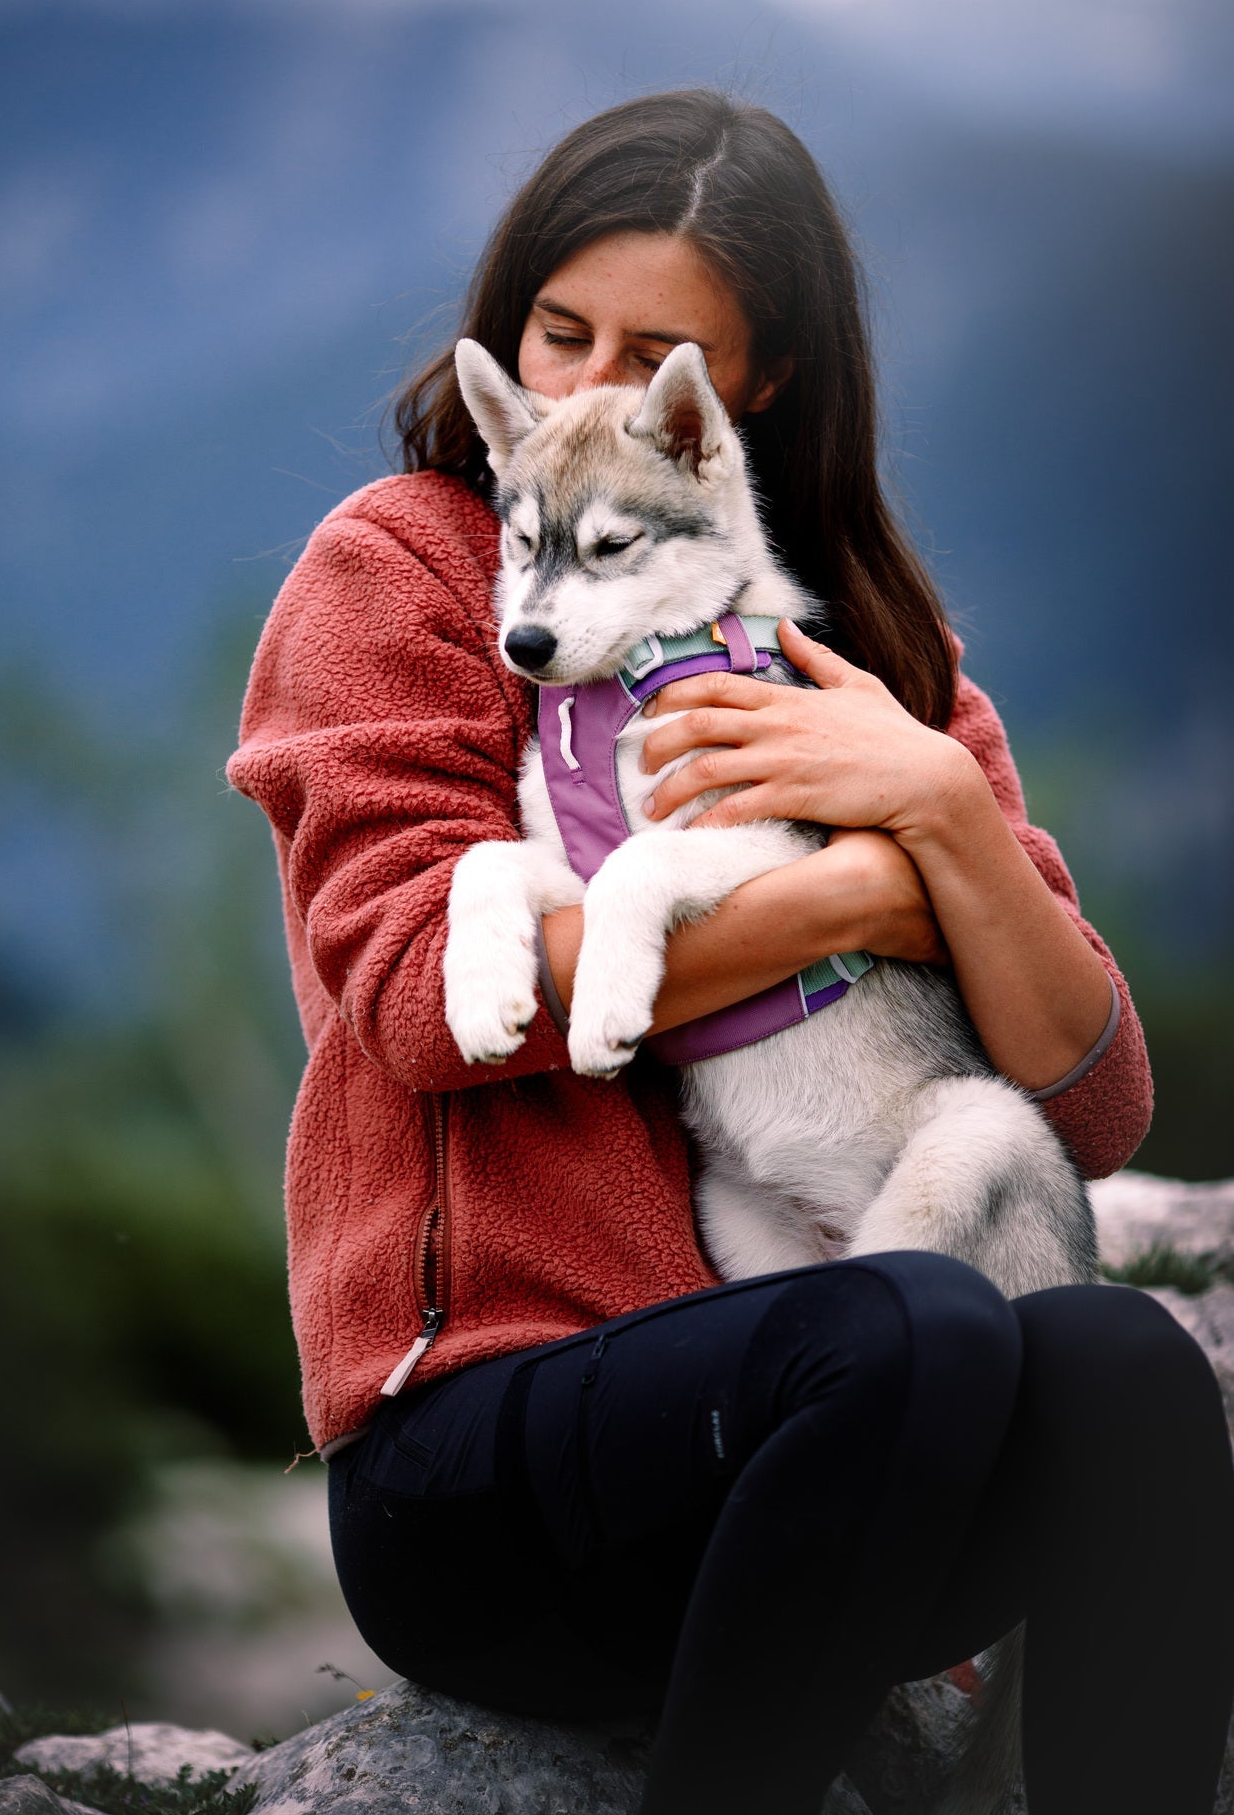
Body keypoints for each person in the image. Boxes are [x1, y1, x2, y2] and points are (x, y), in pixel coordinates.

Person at [227, 91, 1234, 1814]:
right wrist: (858, 896)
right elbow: (413, 1006)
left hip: (836, 1461)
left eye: (654, 351)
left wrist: (942, 808)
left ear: (744, 390)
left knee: (1131, 1366)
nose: (587, 386)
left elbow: (1094, 1101)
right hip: (497, 1462)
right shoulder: (403, 572)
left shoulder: (866, 651)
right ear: (507, 324)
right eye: (556, 333)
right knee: (906, 1325)